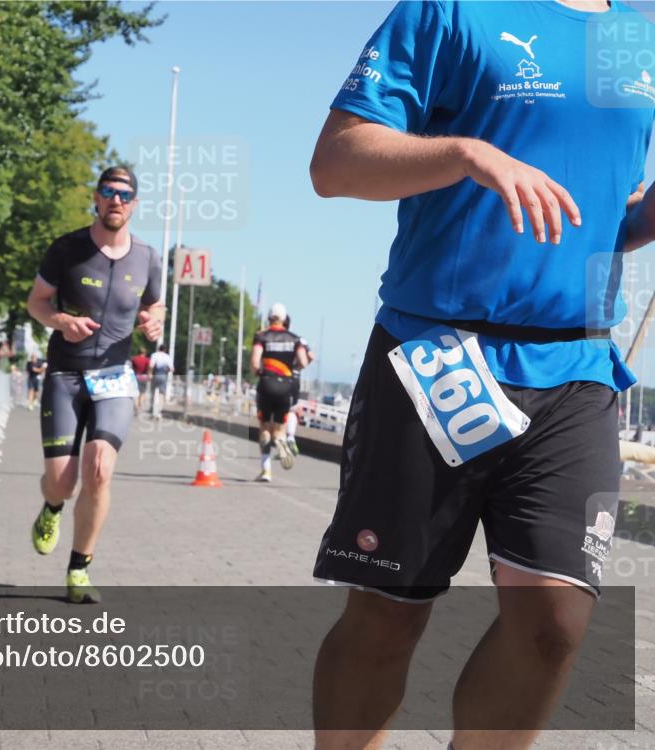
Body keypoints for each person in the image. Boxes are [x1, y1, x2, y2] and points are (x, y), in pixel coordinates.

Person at [307, 1, 654, 748]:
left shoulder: (637, 33)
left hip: (579, 364)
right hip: (437, 355)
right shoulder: (453, 9)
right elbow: (334, 165)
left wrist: (650, 213)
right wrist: (465, 154)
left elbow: (598, 217)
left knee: (555, 623)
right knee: (390, 613)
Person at [26, 166, 164, 604]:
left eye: (125, 194)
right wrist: (62, 320)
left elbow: (155, 305)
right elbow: (37, 303)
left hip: (116, 376)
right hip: (66, 374)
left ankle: (79, 569)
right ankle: (51, 508)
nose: (116, 200)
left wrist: (153, 321)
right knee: (62, 484)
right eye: (108, 192)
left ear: (135, 204)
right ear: (96, 198)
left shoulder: (147, 256)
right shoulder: (67, 249)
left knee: (100, 467)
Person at [250, 303, 308, 482]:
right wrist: (291, 369)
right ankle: (282, 442)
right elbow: (304, 362)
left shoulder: (261, 336)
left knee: (264, 428)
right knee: (280, 429)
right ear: (284, 319)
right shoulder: (294, 338)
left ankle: (266, 470)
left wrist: (260, 372)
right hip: (286, 387)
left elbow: (254, 362)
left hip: (266, 384)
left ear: (269, 318)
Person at [282, 314, 316, 456]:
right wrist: (299, 367)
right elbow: (312, 356)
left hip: (280, 377)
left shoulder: (279, 339)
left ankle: (283, 442)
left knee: (279, 411)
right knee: (291, 409)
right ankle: (289, 438)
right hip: (295, 378)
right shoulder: (298, 339)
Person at [148, 344, 174, 420]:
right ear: (165, 350)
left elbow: (151, 365)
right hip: (163, 376)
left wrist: (150, 374)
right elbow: (172, 369)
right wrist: (166, 371)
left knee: (153, 393)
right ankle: (159, 412)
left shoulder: (154, 355)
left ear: (159, 349)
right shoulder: (168, 357)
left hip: (156, 374)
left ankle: (153, 411)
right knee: (161, 395)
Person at [130, 347, 151, 415]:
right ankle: (140, 405)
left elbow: (131, 367)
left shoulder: (134, 359)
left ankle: (136, 407)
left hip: (135, 376)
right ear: (145, 353)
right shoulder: (147, 360)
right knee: (142, 393)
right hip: (143, 377)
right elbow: (149, 369)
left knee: (136, 392)